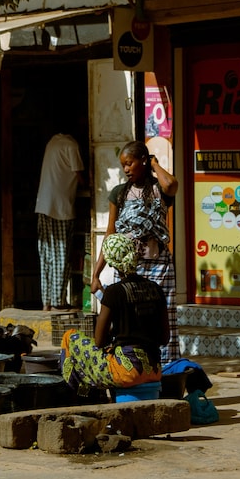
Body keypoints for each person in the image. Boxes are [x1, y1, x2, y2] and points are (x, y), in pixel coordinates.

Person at [91, 139, 180, 362]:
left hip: (158, 266)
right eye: (123, 165)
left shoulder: (159, 189)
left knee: (163, 315)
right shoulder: (119, 194)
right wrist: (96, 273)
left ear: (143, 161)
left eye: (130, 163)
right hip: (128, 269)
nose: (126, 169)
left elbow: (171, 185)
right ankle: (127, 361)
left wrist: (155, 164)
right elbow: (110, 234)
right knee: (126, 316)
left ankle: (165, 367)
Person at [60, 233, 168, 396]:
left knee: (70, 338)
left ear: (112, 264)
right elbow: (164, 338)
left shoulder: (114, 292)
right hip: (154, 370)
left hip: (126, 372)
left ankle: (80, 396)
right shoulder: (156, 289)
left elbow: (99, 341)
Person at [35, 129, 85, 312]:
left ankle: (46, 302)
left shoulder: (52, 142)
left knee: (47, 255)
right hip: (61, 207)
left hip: (43, 205)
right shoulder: (71, 145)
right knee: (62, 254)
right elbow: (80, 177)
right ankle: (58, 301)